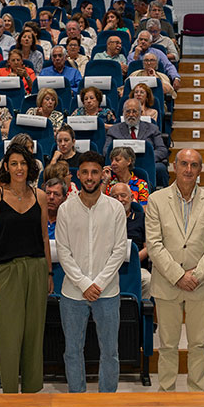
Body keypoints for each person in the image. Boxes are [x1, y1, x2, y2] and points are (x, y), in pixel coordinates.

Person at [146, 149, 204, 391]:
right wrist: (178, 276)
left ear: (200, 170)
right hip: (167, 282)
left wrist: (196, 275)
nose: (188, 170)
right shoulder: (156, 200)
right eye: (184, 164)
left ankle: (197, 394)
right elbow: (154, 243)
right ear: (174, 166)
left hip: (200, 285)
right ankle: (166, 393)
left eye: (193, 165)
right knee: (168, 345)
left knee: (198, 344)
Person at [0, 142, 53, 393]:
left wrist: (49, 273)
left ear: (30, 166)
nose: (19, 168)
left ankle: (33, 390)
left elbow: (44, 238)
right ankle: (10, 391)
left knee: (34, 333)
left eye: (23, 163)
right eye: (14, 163)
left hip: (36, 268)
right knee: (8, 334)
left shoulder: (40, 197)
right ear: (7, 167)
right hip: (6, 271)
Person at [54, 151, 129, 393]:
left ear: (102, 175)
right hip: (72, 294)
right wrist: (84, 284)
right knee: (72, 350)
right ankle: (78, 398)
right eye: (85, 172)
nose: (89, 177)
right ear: (78, 174)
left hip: (107, 292)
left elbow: (119, 251)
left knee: (110, 350)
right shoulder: (66, 209)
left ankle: (106, 400)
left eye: (94, 172)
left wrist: (98, 283)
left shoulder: (115, 208)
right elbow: (63, 252)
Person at [104, 99, 169, 186]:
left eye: (134, 111)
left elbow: (162, 149)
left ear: (141, 113)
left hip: (146, 164)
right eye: (128, 111)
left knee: (160, 168)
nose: (131, 114)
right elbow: (106, 150)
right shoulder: (114, 130)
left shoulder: (152, 129)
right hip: (121, 166)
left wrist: (148, 158)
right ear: (123, 112)